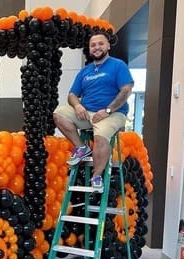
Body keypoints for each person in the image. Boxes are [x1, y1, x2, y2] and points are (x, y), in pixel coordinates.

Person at [53, 31, 134, 192]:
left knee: (100, 136)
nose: (97, 47)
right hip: (87, 112)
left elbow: (126, 90)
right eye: (93, 45)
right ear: (90, 49)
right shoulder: (85, 71)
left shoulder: (118, 65)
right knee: (59, 114)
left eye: (100, 44)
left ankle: (97, 176)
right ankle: (81, 147)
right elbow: (72, 95)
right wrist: (77, 105)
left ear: (108, 45)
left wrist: (108, 110)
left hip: (113, 113)